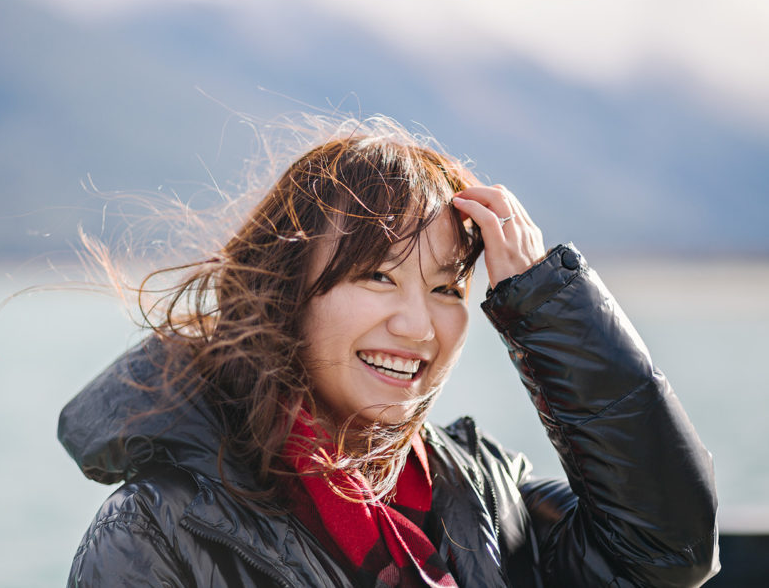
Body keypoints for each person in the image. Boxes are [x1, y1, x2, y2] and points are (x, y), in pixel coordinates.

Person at [58, 118, 719, 587]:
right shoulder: (157, 530)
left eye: (446, 287)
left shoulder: (484, 493)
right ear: (286, 292)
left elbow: (668, 551)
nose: (417, 325)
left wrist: (545, 300)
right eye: (377, 276)